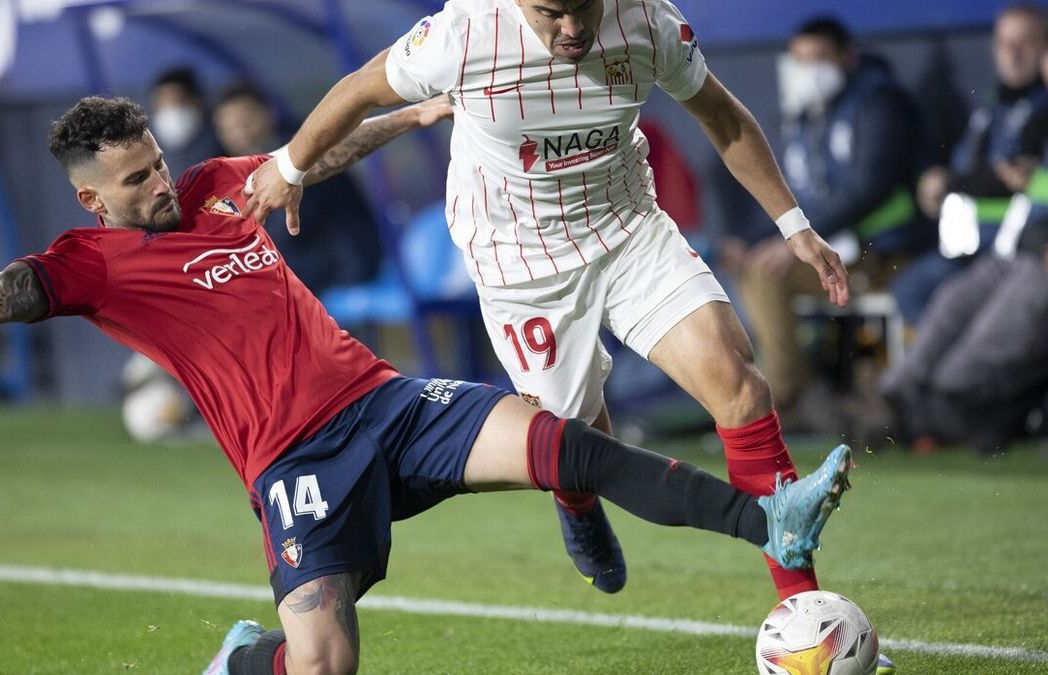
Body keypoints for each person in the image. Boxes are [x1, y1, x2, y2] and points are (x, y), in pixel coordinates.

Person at [0, 97, 853, 675]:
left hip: (384, 405)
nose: (162, 184)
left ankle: (766, 520)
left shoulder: (219, 184)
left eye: (158, 161)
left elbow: (311, 156)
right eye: (138, 179)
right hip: (295, 464)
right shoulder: (86, 262)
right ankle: (243, 659)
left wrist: (412, 116)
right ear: (92, 198)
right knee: (323, 664)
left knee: (562, 438)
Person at [244, 0, 859, 616]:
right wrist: (290, 166)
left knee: (739, 385)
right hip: (520, 265)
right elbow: (358, 89)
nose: (571, 30)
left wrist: (793, 224)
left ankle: (806, 618)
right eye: (549, 13)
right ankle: (577, 505)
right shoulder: (462, 32)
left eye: (583, 8)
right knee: (572, 444)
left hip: (626, 228)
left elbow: (722, 117)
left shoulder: (648, 21)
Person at [727, 17, 925, 427]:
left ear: (846, 58)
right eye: (799, 61)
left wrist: (792, 242)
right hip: (834, 248)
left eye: (818, 59)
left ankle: (782, 395)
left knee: (769, 273)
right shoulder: (808, 114)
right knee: (755, 266)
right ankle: (795, 388)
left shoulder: (879, 102)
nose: (808, 71)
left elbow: (868, 190)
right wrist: (753, 238)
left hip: (880, 251)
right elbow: (799, 197)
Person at [893, 4, 1048, 325]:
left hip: (1016, 247)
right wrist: (940, 181)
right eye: (1005, 43)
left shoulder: (1041, 110)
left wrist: (956, 181)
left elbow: (1020, 181)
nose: (1014, 54)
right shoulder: (989, 109)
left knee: (959, 306)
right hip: (967, 249)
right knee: (909, 289)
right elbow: (967, 172)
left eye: (1026, 42)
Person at [212, 82, 385, 296]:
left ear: (269, 113)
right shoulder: (246, 168)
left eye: (245, 121)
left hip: (347, 258)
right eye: (228, 129)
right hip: (315, 260)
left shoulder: (300, 151)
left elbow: (291, 228)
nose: (240, 133)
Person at [148, 67, 223, 176]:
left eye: (178, 100)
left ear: (197, 102)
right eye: (163, 102)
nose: (171, 109)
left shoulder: (223, 141)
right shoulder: (145, 149)